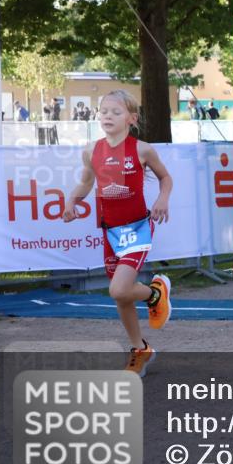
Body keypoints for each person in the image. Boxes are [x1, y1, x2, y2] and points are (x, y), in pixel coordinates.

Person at [62, 90, 174, 377]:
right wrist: (72, 200)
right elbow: (86, 183)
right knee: (121, 298)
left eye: (115, 111)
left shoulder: (142, 149)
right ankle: (141, 349)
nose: (108, 116)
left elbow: (165, 177)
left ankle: (154, 294)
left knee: (119, 289)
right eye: (103, 111)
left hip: (137, 227)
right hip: (109, 230)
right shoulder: (91, 151)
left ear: (131, 119)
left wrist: (162, 199)